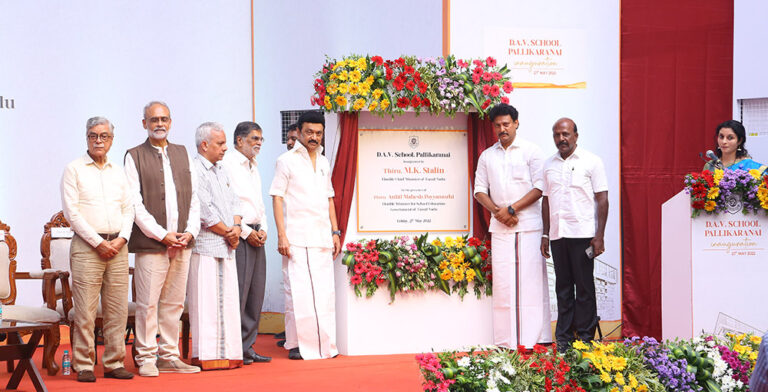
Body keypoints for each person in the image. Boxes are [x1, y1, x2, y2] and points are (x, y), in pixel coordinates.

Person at [125, 101, 201, 376]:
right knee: (147, 303)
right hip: (152, 244)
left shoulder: (182, 153)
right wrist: (162, 235)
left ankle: (169, 356)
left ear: (170, 122)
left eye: (164, 119)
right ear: (144, 123)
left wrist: (190, 232)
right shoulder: (133, 156)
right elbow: (134, 204)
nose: (159, 124)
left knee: (174, 303)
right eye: (153, 119)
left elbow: (194, 198)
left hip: (182, 242)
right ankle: (146, 357)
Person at [61, 116, 135, 382]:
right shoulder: (74, 169)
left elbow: (129, 209)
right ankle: (84, 364)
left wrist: (122, 238)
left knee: (117, 310)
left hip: (118, 247)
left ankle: (114, 362)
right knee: (85, 310)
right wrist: (98, 243)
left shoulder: (119, 171)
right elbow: (72, 213)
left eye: (104, 136)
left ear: (112, 140)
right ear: (86, 138)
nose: (98, 140)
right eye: (93, 135)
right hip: (87, 247)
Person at [473, 103, 552, 349]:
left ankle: (535, 339)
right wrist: (499, 212)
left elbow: (540, 188)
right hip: (501, 227)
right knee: (504, 285)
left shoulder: (532, 151)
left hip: (528, 225)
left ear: (516, 123)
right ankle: (507, 341)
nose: (502, 129)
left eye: (506, 124)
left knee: (530, 283)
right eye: (497, 125)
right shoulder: (487, 155)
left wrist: (512, 209)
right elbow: (479, 191)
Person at [270, 110, 341, 360]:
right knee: (297, 293)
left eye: (319, 133)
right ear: (299, 133)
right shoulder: (285, 161)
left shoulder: (324, 162)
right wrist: (282, 235)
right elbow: (277, 198)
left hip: (322, 236)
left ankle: (323, 344)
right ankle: (300, 345)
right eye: (309, 132)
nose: (314, 137)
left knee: (324, 293)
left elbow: (329, 198)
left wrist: (335, 231)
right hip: (296, 237)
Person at [539, 118, 609, 352]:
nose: (562, 139)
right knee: (563, 287)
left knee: (585, 287)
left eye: (566, 134)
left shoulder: (592, 161)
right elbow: (546, 201)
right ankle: (564, 339)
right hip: (559, 236)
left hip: (584, 235)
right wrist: (545, 235)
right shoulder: (548, 164)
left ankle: (586, 337)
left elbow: (602, 199)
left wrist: (599, 235)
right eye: (557, 135)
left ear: (576, 136)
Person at [188, 122, 244, 370]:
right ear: (204, 145)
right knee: (207, 303)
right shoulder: (195, 169)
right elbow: (204, 210)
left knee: (229, 302)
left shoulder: (222, 169)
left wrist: (237, 229)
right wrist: (229, 232)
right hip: (207, 246)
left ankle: (230, 354)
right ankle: (207, 355)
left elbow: (235, 202)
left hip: (228, 245)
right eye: (220, 144)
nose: (224, 149)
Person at [221, 121, 271, 364]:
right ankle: (234, 348)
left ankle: (247, 346)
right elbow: (229, 204)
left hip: (257, 233)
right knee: (238, 293)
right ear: (239, 140)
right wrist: (245, 232)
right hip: (239, 235)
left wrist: (264, 230)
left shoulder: (254, 166)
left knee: (255, 293)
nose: (259, 143)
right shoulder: (229, 164)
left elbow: (258, 203)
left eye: (261, 139)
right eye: (254, 138)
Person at [275, 122, 300, 347]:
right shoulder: (284, 164)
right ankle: (290, 333)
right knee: (290, 287)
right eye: (288, 139)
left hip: (306, 234)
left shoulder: (317, 163)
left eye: (294, 138)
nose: (290, 142)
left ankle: (297, 335)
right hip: (288, 235)